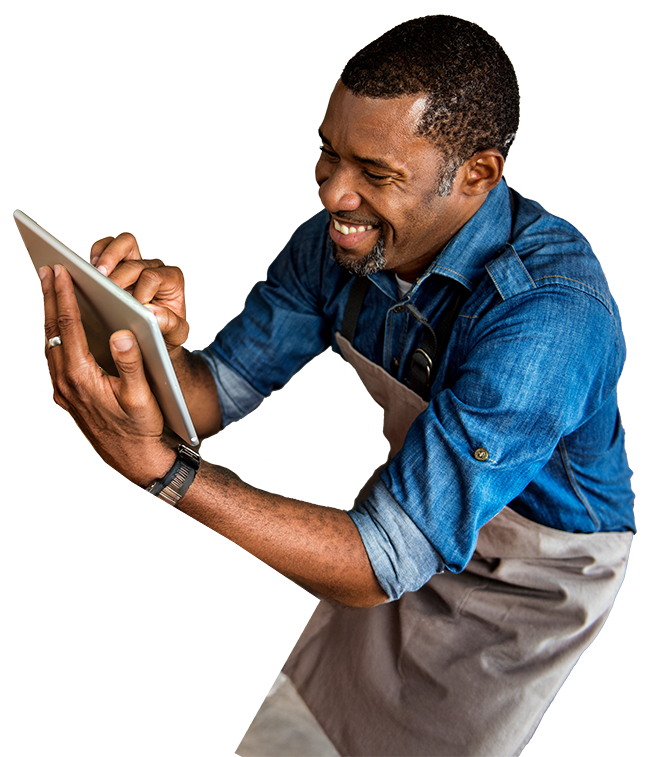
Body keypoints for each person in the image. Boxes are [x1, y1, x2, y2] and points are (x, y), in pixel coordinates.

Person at [39, 14, 635, 757]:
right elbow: (212, 395)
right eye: (329, 154)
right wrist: (144, 337)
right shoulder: (341, 243)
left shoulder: (549, 317)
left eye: (375, 174)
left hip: (529, 578)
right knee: (305, 728)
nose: (334, 195)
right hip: (399, 518)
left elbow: (373, 565)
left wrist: (165, 473)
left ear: (478, 175)